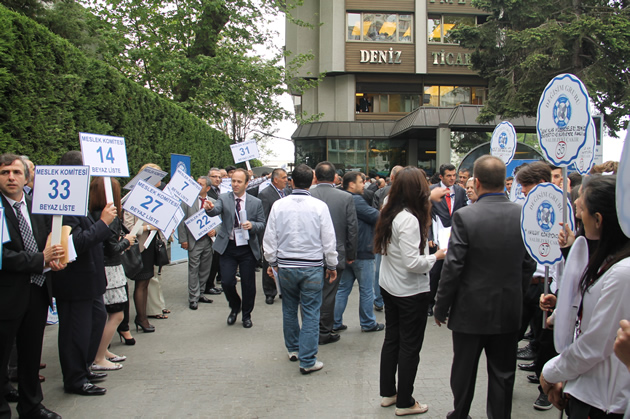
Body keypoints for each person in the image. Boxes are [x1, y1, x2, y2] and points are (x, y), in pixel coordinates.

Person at [434, 155, 536, 419]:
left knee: (464, 369)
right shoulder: (522, 214)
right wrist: (517, 292)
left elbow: (453, 266)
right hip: (507, 307)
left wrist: (441, 305)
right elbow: (528, 264)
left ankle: (461, 414)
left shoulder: (466, 216)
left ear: (476, 182)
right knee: (503, 372)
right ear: (504, 182)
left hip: (470, 309)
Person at [540, 175, 630, 418]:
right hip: (586, 388)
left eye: (581, 210)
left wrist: (551, 371)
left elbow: (595, 344)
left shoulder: (622, 272)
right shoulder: (606, 261)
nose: (577, 217)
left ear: (598, 219)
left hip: (604, 401)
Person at [375, 166, 444, 416]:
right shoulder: (409, 219)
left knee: (392, 339)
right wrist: (436, 256)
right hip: (408, 291)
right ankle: (405, 401)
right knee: (409, 346)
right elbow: (413, 263)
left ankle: (389, 393)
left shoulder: (388, 210)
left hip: (390, 286)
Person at [0, 154, 65, 418]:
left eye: (16, 172)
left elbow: (49, 242)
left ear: (27, 177)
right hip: (6, 295)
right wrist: (41, 259)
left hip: (37, 292)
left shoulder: (37, 206)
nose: (11, 177)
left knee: (30, 353)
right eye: (5, 173)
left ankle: (31, 405)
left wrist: (58, 259)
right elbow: (2, 256)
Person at [53, 150, 117, 396]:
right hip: (75, 281)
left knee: (96, 320)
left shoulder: (79, 201)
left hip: (90, 280)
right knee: (75, 332)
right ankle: (75, 378)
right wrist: (103, 223)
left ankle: (84, 368)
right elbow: (76, 243)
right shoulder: (64, 203)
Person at [263, 164, 338, 374]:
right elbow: (328, 239)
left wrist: (272, 263)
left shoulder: (279, 205)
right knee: (311, 311)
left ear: (291, 182)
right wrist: (331, 264)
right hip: (312, 266)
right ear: (312, 181)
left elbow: (269, 237)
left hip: (286, 265)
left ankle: (294, 349)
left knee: (289, 308)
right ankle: (307, 359)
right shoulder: (319, 206)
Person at [204, 168, 265, 328]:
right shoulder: (224, 198)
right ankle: (235, 305)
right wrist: (209, 208)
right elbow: (214, 210)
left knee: (248, 284)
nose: (235, 184)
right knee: (227, 281)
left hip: (247, 248)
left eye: (239, 181)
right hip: (228, 247)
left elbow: (262, 224)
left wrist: (252, 225)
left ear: (246, 183)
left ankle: (246, 315)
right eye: (233, 181)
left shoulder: (255, 202)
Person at [310, 162, 358, 345]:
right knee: (329, 294)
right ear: (335, 178)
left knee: (311, 294)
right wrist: (351, 254)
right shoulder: (345, 198)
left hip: (310, 254)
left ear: (316, 177)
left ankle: (311, 329)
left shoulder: (309, 194)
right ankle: (324, 331)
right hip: (336, 253)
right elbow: (352, 229)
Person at [89, 177, 134, 371]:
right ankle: (98, 356)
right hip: (111, 270)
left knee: (105, 313)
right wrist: (127, 241)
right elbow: (112, 248)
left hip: (102, 268)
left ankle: (103, 351)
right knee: (116, 314)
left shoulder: (92, 213)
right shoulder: (110, 217)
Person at [333, 172, 383, 333]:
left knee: (343, 289)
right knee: (367, 289)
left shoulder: (341, 198)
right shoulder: (355, 200)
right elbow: (376, 217)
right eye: (361, 182)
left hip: (347, 251)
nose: (364, 185)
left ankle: (334, 322)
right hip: (362, 251)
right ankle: (368, 323)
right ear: (351, 184)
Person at [123, 163, 167, 333]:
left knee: (147, 280)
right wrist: (149, 227)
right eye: (157, 176)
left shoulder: (157, 196)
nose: (161, 180)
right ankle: (141, 318)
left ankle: (143, 316)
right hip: (139, 247)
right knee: (141, 282)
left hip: (151, 246)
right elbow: (128, 225)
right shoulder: (132, 197)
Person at [428, 163, 467, 316]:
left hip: (455, 237)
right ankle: (429, 304)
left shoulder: (460, 191)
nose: (452, 178)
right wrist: (430, 236)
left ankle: (451, 305)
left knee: (453, 271)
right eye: (449, 176)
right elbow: (427, 215)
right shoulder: (432, 191)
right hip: (437, 238)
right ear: (441, 177)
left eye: (454, 175)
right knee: (435, 273)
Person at [178, 176, 216, 310]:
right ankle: (193, 297)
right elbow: (181, 221)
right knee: (193, 268)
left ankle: (200, 293)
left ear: (208, 188)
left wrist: (214, 231)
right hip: (193, 241)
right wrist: (183, 239)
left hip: (208, 241)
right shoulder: (187, 202)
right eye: (197, 183)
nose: (197, 186)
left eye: (200, 184)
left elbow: (219, 221)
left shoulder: (214, 202)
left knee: (205, 268)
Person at [258, 168, 290, 305]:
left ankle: (284, 289)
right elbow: (263, 217)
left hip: (286, 235)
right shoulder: (265, 194)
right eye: (284, 178)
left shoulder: (288, 192)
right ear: (275, 179)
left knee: (285, 263)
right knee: (270, 263)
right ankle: (270, 292)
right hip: (273, 235)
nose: (286, 180)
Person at [203, 168, 223, 296]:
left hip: (217, 230)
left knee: (216, 260)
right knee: (208, 262)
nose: (217, 179)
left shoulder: (222, 191)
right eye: (214, 176)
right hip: (206, 231)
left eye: (219, 177)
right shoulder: (208, 193)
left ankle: (210, 284)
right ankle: (206, 286)